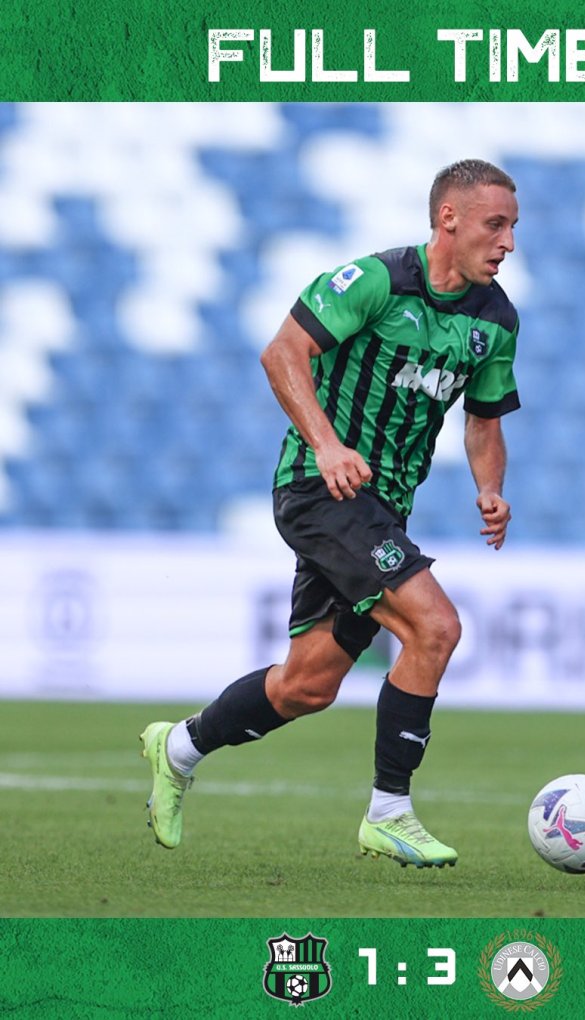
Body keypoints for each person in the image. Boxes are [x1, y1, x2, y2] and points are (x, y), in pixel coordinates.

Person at [140, 158, 521, 868]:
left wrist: (489, 487)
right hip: (321, 492)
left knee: (307, 685)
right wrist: (326, 444)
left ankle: (179, 748)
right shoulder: (374, 282)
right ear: (449, 218)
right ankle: (390, 812)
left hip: (383, 510)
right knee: (436, 627)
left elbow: (484, 419)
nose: (507, 243)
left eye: (513, 228)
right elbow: (282, 353)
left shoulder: (495, 320)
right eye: (495, 225)